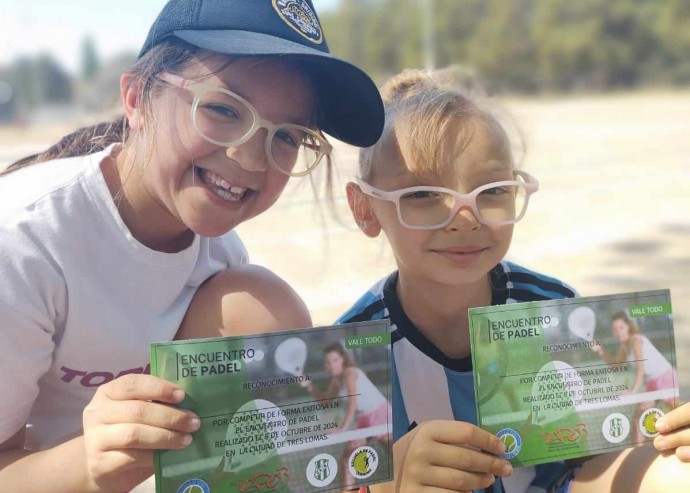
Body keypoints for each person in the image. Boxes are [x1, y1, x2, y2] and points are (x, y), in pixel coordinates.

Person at [0, 0, 384, 491]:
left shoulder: (222, 256)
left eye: (287, 136)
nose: (249, 156)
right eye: (223, 109)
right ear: (137, 97)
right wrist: (89, 461)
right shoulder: (25, 242)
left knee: (260, 305)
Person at [337, 68, 690, 493]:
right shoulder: (352, 350)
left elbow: (599, 454)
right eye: (422, 195)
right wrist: (389, 484)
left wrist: (665, 441)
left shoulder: (553, 307)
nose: (464, 219)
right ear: (365, 208)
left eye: (491, 190)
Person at [301, 341, 392, 489]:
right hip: (364, 418)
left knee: (394, 451)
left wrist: (342, 429)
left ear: (343, 359)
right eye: (328, 362)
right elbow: (325, 402)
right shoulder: (336, 380)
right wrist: (309, 386)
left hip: (380, 413)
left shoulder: (350, 373)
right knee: (348, 458)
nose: (332, 365)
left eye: (335, 360)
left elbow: (353, 403)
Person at [593, 311, 679, 443]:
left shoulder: (635, 339)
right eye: (615, 329)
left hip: (665, 377)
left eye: (621, 328)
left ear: (629, 326)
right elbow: (615, 365)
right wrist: (600, 351)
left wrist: (632, 391)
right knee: (638, 421)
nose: (618, 332)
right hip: (651, 383)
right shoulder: (624, 346)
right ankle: (638, 455)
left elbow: (641, 367)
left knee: (677, 416)